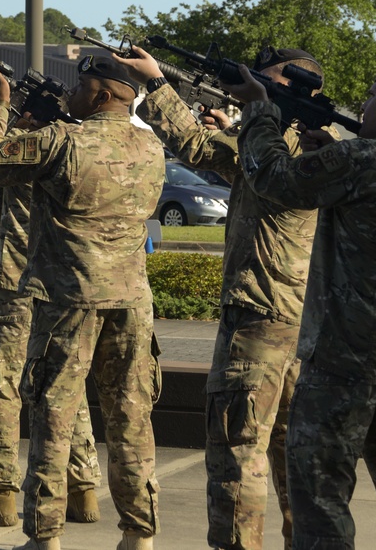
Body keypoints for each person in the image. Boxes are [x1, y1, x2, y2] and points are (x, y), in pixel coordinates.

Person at [226, 57, 376, 549]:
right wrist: (335, 153)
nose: (365, 104)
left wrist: (259, 111)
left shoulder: (363, 160)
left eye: (374, 96)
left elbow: (271, 178)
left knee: (321, 502)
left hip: (345, 361)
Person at [115, 45, 329, 550]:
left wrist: (155, 81)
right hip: (308, 323)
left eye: (268, 83)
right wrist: (238, 125)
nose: (258, 87)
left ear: (300, 90)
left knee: (238, 453)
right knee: (300, 455)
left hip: (259, 317)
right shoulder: (319, 143)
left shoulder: (279, 142)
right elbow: (229, 153)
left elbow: (195, 148)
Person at [0, 55, 164, 550]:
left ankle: (46, 536)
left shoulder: (61, 141)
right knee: (131, 418)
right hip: (132, 301)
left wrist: (0, 106)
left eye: (81, 87)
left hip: (69, 301)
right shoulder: (151, 145)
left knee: (53, 418)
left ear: (102, 96)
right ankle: (139, 534)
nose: (71, 96)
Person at [0, 90, 102, 528]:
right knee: (65, 388)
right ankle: (83, 489)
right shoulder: (77, 149)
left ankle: (0, 492)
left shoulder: (25, 151)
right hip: (61, 286)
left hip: (16, 283)